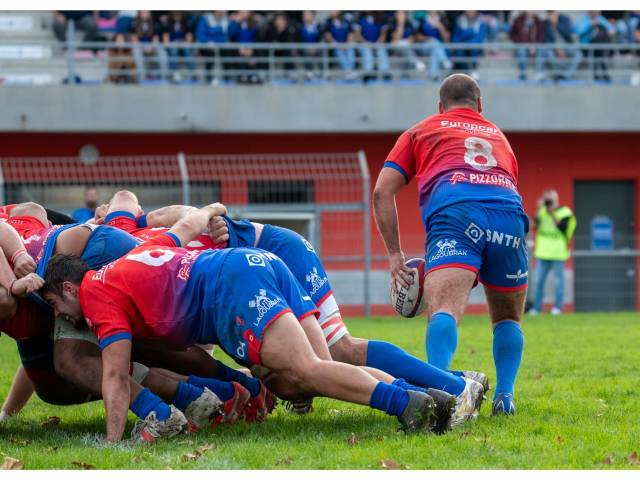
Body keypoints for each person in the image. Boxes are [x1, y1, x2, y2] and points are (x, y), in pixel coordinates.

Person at [41, 204, 460, 442]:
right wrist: (215, 211)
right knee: (318, 366)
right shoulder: (139, 246)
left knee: (307, 371)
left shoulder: (97, 293)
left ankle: (406, 405)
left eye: (57, 304)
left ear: (71, 287)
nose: (60, 315)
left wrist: (113, 443)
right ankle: (424, 395)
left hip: (234, 289)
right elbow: (188, 224)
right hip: (259, 263)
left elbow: (114, 375)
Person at [373, 73, 528, 416]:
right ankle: (505, 397)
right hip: (508, 215)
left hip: (456, 213)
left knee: (443, 309)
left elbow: (382, 191)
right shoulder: (499, 136)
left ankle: (440, 393)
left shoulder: (421, 130)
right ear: (480, 105)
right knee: (508, 319)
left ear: (440, 106)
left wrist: (395, 254)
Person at [530, 189, 577, 315]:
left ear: (556, 199)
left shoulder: (565, 212)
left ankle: (557, 308)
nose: (548, 202)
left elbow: (563, 228)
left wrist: (551, 212)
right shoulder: (542, 211)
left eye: (549, 199)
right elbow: (533, 226)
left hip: (558, 253)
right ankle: (536, 308)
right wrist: (539, 210)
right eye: (546, 199)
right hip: (542, 253)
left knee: (558, 282)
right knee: (538, 281)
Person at [541, 11, 583, 81]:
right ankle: (559, 74)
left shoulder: (565, 19)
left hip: (567, 45)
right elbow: (546, 39)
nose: (551, 15)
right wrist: (556, 48)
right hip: (554, 47)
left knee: (578, 55)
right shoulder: (545, 23)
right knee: (548, 54)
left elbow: (568, 33)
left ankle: (566, 76)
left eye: (553, 12)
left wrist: (556, 24)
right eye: (549, 13)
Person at [509, 11, 545, 81]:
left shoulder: (539, 21)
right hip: (522, 45)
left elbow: (541, 36)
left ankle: (539, 73)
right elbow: (512, 34)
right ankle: (523, 74)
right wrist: (520, 43)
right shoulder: (518, 20)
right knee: (521, 50)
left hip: (535, 46)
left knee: (542, 49)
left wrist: (535, 45)